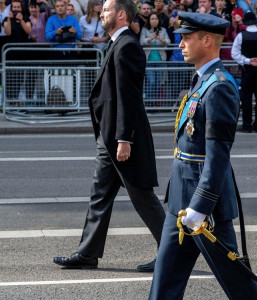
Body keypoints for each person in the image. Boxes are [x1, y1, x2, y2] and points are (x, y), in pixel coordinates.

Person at [148, 11, 257, 300]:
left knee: (237, 282)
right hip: (181, 198)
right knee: (164, 280)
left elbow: (218, 156)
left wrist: (200, 207)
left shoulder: (220, 86)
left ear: (208, 41)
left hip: (204, 204)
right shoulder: (202, 79)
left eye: (187, 39)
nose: (181, 45)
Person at [52, 0, 166, 273]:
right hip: (110, 137)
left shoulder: (127, 46)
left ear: (121, 14)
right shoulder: (117, 43)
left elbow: (128, 97)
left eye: (106, 9)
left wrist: (125, 139)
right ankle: (87, 253)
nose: (102, 13)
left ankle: (173, 252)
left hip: (122, 138)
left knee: (142, 197)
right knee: (99, 196)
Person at [2, 0, 32, 101]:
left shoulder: (26, 18)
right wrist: (10, 20)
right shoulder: (6, 19)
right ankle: (11, 100)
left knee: (20, 77)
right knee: (10, 77)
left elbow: (28, 31)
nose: (16, 9)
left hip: (23, 53)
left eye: (18, 7)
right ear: (11, 9)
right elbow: (8, 32)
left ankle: (17, 100)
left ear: (21, 8)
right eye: (14, 7)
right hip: (10, 53)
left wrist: (22, 20)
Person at [140, 12, 170, 101]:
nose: (154, 21)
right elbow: (141, 42)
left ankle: (156, 102)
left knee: (158, 83)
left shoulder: (163, 30)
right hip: (149, 61)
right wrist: (151, 38)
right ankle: (150, 102)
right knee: (151, 81)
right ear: (149, 21)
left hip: (161, 60)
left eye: (156, 19)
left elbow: (168, 42)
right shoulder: (145, 30)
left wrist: (161, 39)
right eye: (152, 19)